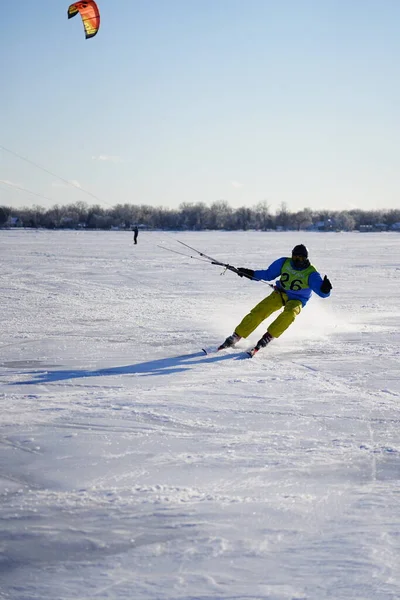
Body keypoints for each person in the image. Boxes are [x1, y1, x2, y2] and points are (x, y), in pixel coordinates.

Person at [218, 244, 332, 354]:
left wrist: (326, 289)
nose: (297, 260)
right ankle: (237, 335)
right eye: (295, 257)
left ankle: (268, 337)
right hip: (280, 293)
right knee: (260, 311)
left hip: (297, 300)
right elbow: (268, 275)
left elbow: (322, 294)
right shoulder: (284, 263)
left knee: (289, 314)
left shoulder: (311, 273)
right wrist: (249, 273)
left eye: (300, 258)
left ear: (306, 258)